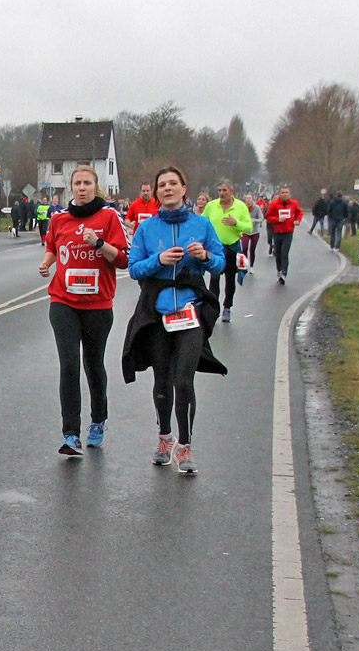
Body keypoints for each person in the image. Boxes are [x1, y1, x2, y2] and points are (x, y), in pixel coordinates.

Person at [121, 166, 227, 474]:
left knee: (184, 380)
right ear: (156, 193)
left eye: (173, 184)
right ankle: (164, 438)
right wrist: (160, 260)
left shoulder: (202, 224)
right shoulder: (147, 229)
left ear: (184, 189)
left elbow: (220, 265)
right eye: (162, 185)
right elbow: (134, 269)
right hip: (157, 313)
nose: (167, 189)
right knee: (162, 382)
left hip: (190, 313)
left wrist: (205, 256)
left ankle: (185, 446)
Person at [37, 166, 129, 455]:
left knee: (93, 365)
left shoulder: (109, 216)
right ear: (71, 187)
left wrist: (99, 244)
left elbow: (123, 260)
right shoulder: (59, 219)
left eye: (87, 183)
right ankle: (70, 435)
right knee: (69, 366)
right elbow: (54, 246)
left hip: (97, 305)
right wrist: (47, 263)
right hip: (63, 302)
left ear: (95, 186)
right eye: (77, 183)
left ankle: (98, 420)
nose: (81, 187)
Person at [201, 181, 252, 323]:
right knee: (214, 279)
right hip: (215, 248)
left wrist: (236, 223)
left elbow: (248, 227)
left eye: (224, 190)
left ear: (231, 191)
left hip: (232, 248)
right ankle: (213, 308)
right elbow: (202, 223)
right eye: (219, 190)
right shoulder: (212, 206)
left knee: (230, 280)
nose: (222, 193)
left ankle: (227, 307)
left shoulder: (240, 207)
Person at [264, 185, 303, 284]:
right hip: (277, 232)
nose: (285, 194)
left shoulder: (294, 203)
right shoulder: (274, 204)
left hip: (288, 232)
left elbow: (299, 213)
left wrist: (298, 220)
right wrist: (277, 220)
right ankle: (279, 271)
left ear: (289, 194)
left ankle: (284, 272)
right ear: (279, 194)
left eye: (286, 193)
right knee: (278, 253)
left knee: (284, 252)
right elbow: (268, 217)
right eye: (283, 193)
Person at [241, 193, 264, 273]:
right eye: (247, 198)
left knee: (252, 249)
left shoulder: (257, 208)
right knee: (244, 248)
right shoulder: (242, 208)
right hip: (245, 231)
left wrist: (254, 220)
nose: (248, 200)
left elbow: (261, 219)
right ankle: (245, 265)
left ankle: (251, 266)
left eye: (250, 198)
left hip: (254, 231)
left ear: (252, 199)